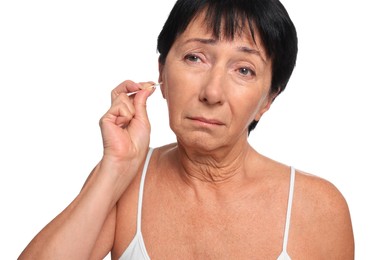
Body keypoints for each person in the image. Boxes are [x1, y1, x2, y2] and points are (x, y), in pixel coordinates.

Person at [19, 0, 354, 259]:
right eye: (195, 57)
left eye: (244, 69)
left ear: (268, 99)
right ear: (161, 73)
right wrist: (116, 166)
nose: (212, 92)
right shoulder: (127, 183)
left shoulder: (317, 207)